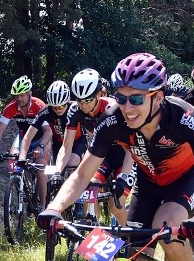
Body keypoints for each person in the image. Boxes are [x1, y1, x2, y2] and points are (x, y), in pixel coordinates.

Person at [37, 53, 194, 261]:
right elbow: (82, 174)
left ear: (158, 97)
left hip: (186, 178)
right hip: (149, 181)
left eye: (136, 99)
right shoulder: (113, 121)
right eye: (121, 97)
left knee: (166, 224)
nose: (127, 107)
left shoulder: (184, 118)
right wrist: (55, 208)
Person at [53, 68, 135, 226]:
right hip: (103, 154)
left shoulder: (113, 109)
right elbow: (67, 145)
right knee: (88, 188)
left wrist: (123, 177)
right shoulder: (74, 111)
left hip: (126, 154)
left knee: (115, 205)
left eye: (88, 100)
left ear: (98, 94)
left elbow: (131, 147)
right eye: (79, 100)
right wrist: (57, 172)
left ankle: (126, 239)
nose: (83, 105)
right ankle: (94, 227)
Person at [0, 76, 52, 206]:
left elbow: (48, 131)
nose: (19, 99)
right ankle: (23, 187)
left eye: (22, 95)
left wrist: (40, 146)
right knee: (15, 162)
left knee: (40, 168)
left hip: (40, 139)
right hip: (23, 138)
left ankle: (44, 206)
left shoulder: (39, 106)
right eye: (16, 96)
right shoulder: (10, 108)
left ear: (29, 94)